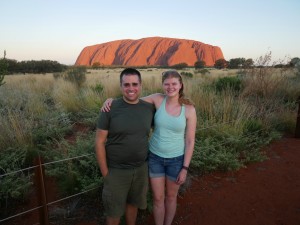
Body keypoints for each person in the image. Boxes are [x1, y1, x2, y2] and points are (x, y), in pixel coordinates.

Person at [102, 70, 197, 225]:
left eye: (174, 84)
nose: (170, 87)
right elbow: (132, 99)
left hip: (176, 160)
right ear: (162, 85)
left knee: (171, 197)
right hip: (155, 158)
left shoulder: (189, 109)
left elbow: (190, 140)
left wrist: (185, 168)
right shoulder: (158, 99)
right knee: (158, 198)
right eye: (166, 84)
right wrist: (111, 100)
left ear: (180, 85)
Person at [95, 68, 155, 225]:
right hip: (116, 171)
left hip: (141, 169)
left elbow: (170, 100)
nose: (131, 88)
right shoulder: (110, 108)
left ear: (141, 85)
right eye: (126, 84)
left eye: (135, 84)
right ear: (121, 86)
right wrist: (106, 174)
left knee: (133, 205)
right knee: (113, 212)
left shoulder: (148, 108)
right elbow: (99, 141)